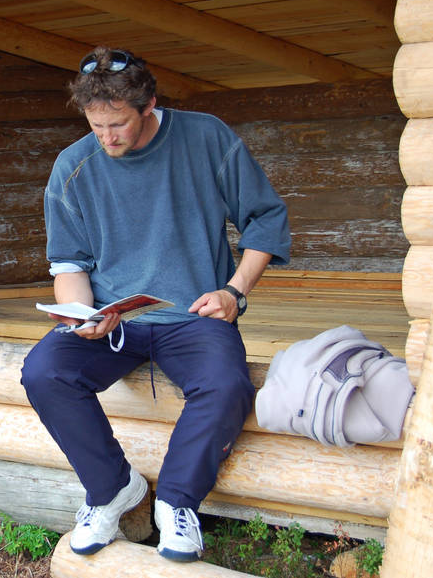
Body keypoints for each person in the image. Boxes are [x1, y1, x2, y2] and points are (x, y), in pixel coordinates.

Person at [20, 46, 290, 562]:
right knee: (43, 371)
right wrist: (84, 317)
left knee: (227, 384)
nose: (107, 137)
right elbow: (69, 265)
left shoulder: (205, 137)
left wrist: (234, 292)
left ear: (149, 105)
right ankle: (111, 490)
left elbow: (266, 219)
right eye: (96, 125)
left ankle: (176, 502)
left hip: (194, 314)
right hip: (115, 320)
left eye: (118, 124)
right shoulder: (72, 166)